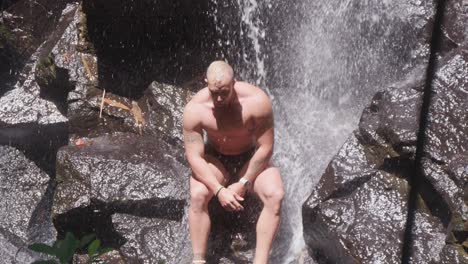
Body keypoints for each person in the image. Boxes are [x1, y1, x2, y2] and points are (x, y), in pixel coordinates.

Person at [183, 60, 284, 264]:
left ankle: (260, 261)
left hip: (251, 158)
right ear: (206, 84)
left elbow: (266, 148)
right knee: (198, 194)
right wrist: (219, 190)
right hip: (216, 159)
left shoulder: (256, 101)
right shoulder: (195, 109)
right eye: (214, 92)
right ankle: (198, 260)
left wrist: (244, 182)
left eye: (225, 92)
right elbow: (194, 157)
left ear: (234, 83)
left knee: (275, 195)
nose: (219, 98)